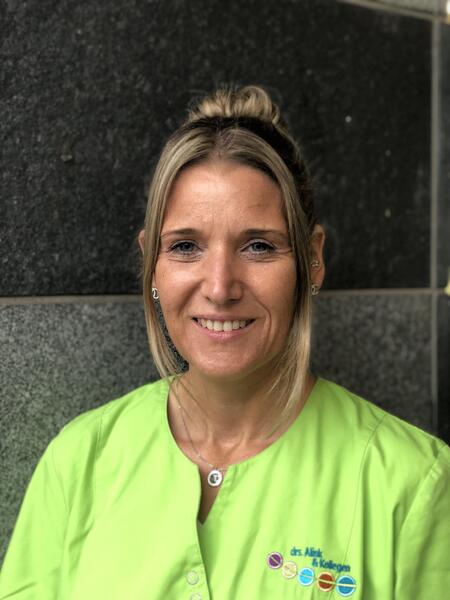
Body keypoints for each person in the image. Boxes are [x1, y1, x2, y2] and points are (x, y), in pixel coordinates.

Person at [0, 85, 449, 599]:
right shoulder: (79, 461)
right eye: (185, 246)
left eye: (257, 246)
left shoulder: (412, 484)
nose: (219, 287)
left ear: (312, 260)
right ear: (151, 263)